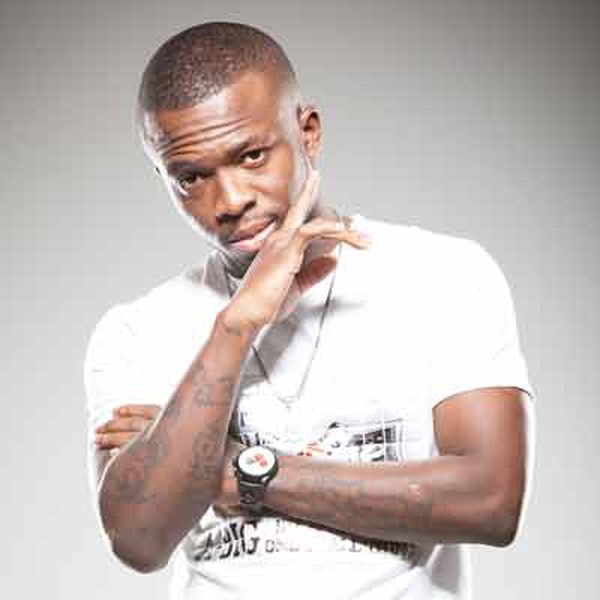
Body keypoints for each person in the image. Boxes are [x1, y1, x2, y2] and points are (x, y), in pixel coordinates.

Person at [84, 21, 535, 600]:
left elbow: (491, 501)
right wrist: (236, 326)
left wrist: (240, 470)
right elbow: (138, 539)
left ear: (308, 132)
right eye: (191, 178)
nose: (229, 201)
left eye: (251, 156)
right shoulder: (136, 331)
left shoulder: (444, 276)